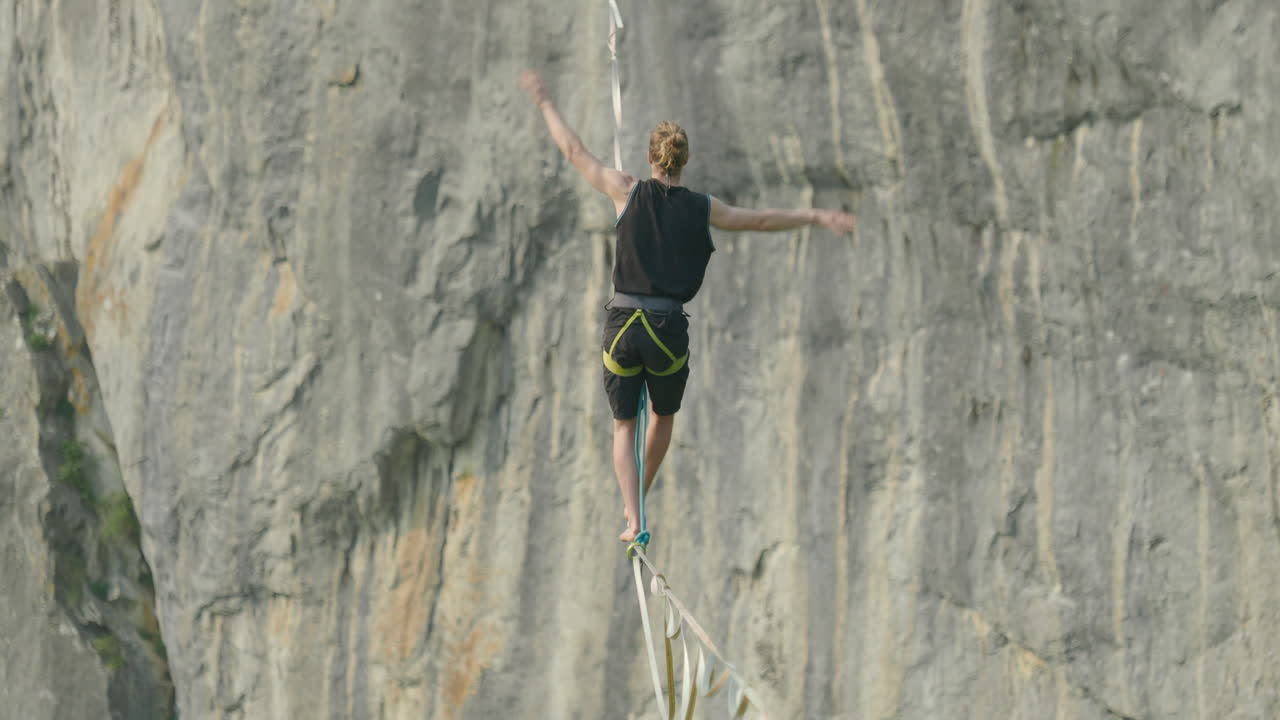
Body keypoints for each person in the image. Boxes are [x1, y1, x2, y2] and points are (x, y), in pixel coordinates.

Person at [520, 69, 856, 543]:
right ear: (685, 161)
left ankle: (632, 515)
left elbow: (574, 152)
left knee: (623, 426)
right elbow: (759, 220)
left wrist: (544, 102)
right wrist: (816, 215)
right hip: (665, 327)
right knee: (661, 417)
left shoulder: (625, 189)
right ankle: (638, 504)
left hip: (622, 322)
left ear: (649, 158)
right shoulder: (703, 207)